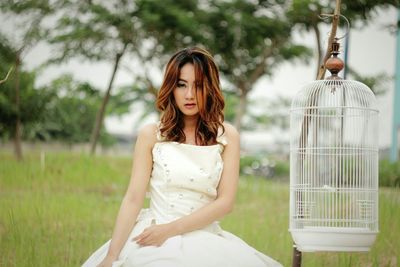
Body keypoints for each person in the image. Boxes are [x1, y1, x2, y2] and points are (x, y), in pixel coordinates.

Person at [82, 47, 282, 267]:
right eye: (181, 84)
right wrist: (111, 257)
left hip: (203, 236)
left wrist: (170, 231)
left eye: (198, 85)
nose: (189, 95)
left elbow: (225, 203)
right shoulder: (151, 135)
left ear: (210, 88)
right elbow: (133, 198)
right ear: (171, 88)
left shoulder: (227, 136)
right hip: (153, 234)